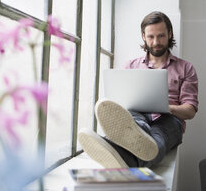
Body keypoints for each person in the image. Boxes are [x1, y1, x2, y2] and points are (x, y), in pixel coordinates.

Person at [78, 11, 198, 168]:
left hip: (170, 120)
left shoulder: (185, 68)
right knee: (135, 121)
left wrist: (166, 107)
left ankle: (111, 146)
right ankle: (132, 139)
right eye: (151, 37)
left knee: (157, 140)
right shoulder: (131, 66)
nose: (156, 42)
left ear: (169, 34)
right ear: (143, 36)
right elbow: (121, 101)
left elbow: (190, 111)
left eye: (161, 36)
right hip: (136, 115)